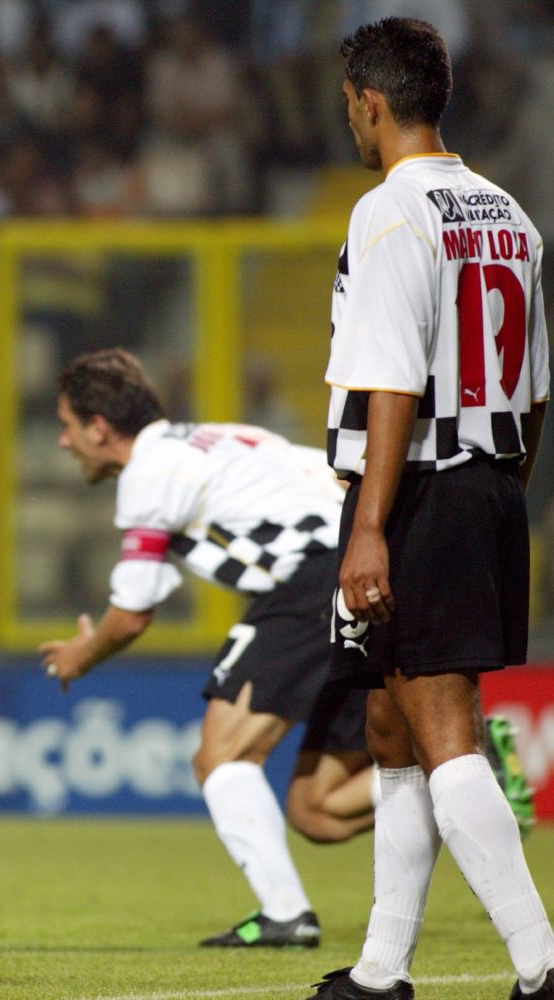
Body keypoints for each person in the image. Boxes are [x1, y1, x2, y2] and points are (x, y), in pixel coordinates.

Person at [305, 18, 554, 1000]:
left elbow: (393, 382)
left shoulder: (390, 210)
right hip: (487, 482)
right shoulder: (509, 214)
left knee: (444, 728)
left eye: (349, 106)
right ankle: (382, 969)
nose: (350, 122)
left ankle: (541, 962)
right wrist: (501, 492)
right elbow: (536, 389)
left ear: (370, 103)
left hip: (415, 491)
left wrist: (372, 527)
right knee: (391, 725)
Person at [40, 348, 375, 950]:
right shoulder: (217, 439)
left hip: (314, 582)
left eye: (68, 427)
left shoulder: (150, 474)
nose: (65, 442)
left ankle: (285, 915)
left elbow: (133, 614)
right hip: (364, 573)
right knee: (318, 809)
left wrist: (80, 655)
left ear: (99, 427)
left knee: (221, 757)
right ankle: (457, 777)